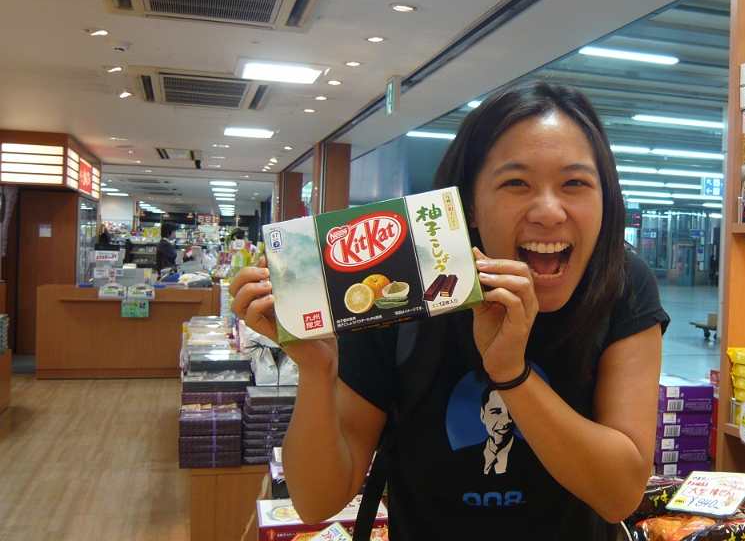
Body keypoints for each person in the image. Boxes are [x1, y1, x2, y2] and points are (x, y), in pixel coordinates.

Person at [230, 81, 670, 540]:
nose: (549, 210)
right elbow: (317, 500)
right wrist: (317, 372)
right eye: (516, 183)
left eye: (575, 183)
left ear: (605, 198)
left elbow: (620, 494)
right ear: (470, 207)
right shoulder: (397, 285)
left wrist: (511, 373)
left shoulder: (622, 284)